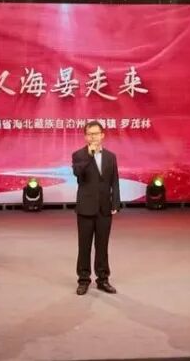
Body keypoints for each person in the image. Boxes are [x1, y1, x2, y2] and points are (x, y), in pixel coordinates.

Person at [71, 121, 121, 295]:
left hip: (104, 208)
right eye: (89, 134)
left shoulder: (111, 157)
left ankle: (103, 279)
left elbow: (114, 181)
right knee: (84, 246)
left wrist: (115, 202)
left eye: (96, 133)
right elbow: (78, 174)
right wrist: (89, 155)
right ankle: (83, 280)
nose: (93, 137)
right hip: (85, 207)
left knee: (102, 246)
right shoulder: (79, 155)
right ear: (85, 137)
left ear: (102, 135)